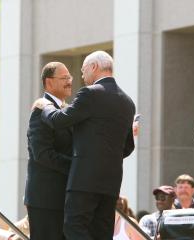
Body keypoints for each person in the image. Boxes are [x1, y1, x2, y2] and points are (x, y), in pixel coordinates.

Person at [34, 50, 135, 240]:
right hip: (112, 181)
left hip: (84, 181)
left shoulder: (90, 94)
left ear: (94, 67)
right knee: (102, 232)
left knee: (74, 227)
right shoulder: (128, 102)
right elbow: (128, 147)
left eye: (82, 71)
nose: (81, 76)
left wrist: (45, 106)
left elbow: (58, 120)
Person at [24, 61, 73, 240]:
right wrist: (76, 167)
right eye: (64, 78)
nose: (69, 81)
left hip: (64, 199)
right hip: (45, 200)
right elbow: (43, 155)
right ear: (49, 82)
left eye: (70, 77)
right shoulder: (40, 111)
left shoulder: (67, 111)